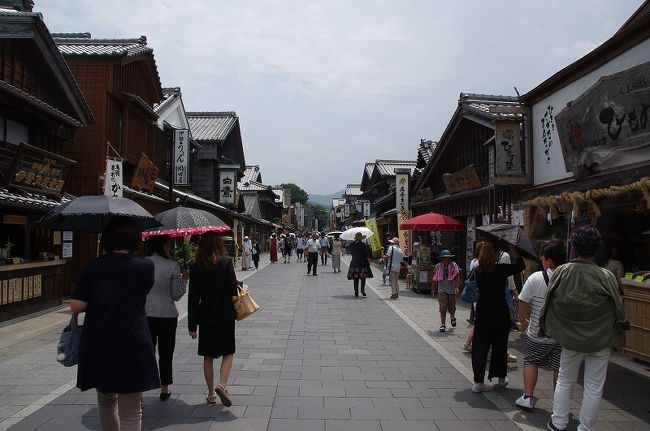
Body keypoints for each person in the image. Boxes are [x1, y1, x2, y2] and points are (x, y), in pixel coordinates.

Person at [70, 216, 159, 431]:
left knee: (106, 400)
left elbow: (76, 306)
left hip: (100, 341)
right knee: (131, 409)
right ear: (135, 240)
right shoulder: (146, 267)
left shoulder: (93, 267)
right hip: (133, 340)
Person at [542, 226, 627, 431]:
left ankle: (559, 422)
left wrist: (548, 326)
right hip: (599, 338)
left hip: (570, 336)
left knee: (565, 379)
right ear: (597, 248)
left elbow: (549, 302)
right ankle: (586, 428)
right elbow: (618, 307)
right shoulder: (605, 276)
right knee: (594, 386)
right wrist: (621, 327)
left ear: (575, 247)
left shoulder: (562, 271)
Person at [188, 232, 239, 407]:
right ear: (219, 244)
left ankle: (211, 394)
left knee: (208, 356)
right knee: (228, 351)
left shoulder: (196, 266)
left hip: (206, 316)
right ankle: (222, 385)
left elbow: (193, 298)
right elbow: (233, 290)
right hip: (225, 313)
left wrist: (192, 325)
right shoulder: (225, 263)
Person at [515, 242, 566, 409]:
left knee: (531, 361)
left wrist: (523, 320)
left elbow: (522, 301)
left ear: (549, 261)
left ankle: (528, 397)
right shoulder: (568, 278)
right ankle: (558, 405)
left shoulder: (536, 278)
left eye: (544, 259)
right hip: (561, 335)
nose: (543, 261)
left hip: (538, 332)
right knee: (559, 368)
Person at [471, 240, 525, 393]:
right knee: (500, 345)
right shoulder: (501, 270)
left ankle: (478, 382)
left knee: (480, 347)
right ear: (494, 254)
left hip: (482, 312)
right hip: (500, 312)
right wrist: (515, 251)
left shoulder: (478, 270)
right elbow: (521, 266)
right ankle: (501, 377)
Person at [145, 235, 188, 401]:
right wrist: (184, 281)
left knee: (146, 352)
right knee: (166, 352)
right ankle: (164, 388)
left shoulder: (143, 263)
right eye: (169, 245)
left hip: (146, 313)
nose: (170, 248)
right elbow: (176, 295)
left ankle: (140, 390)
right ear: (163, 246)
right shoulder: (172, 266)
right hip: (167, 315)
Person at [432, 249, 461, 331]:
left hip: (451, 289)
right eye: (444, 258)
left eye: (448, 258)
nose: (446, 260)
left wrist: (457, 287)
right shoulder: (438, 266)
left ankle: (452, 317)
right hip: (441, 289)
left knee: (452, 306)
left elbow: (458, 276)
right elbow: (434, 278)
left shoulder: (454, 265)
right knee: (443, 307)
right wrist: (433, 289)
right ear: (442, 259)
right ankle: (443, 324)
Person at [464, 241, 484, 352]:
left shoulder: (474, 261)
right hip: (478, 294)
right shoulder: (478, 263)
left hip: (476, 294)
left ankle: (469, 343)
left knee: (478, 321)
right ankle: (468, 343)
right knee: (479, 321)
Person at [347, 232, 373, 297]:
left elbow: (350, 252)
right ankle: (362, 290)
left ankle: (356, 292)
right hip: (363, 263)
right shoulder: (363, 244)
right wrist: (369, 259)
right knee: (363, 277)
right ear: (361, 237)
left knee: (356, 278)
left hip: (354, 263)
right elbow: (367, 253)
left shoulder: (352, 244)